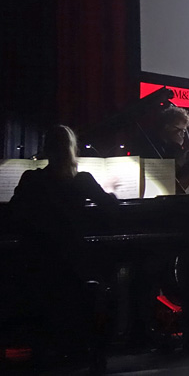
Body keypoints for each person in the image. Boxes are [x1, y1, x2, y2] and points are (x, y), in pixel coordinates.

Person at [10, 125, 118, 364]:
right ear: (72, 150)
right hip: (74, 263)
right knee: (114, 276)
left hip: (37, 260)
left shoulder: (31, 179)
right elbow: (111, 210)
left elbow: (14, 213)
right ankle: (96, 342)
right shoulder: (82, 181)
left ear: (46, 150)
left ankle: (48, 344)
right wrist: (111, 194)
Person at [143, 106, 189, 192]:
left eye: (184, 131)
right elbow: (160, 176)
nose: (183, 135)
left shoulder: (174, 148)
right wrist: (182, 160)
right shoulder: (151, 146)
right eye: (180, 130)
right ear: (167, 127)